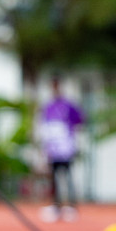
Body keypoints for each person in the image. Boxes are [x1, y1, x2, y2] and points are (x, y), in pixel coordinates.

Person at [38, 77, 84, 222]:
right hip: (53, 148)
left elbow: (80, 120)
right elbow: (44, 127)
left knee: (68, 175)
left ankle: (71, 206)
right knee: (54, 178)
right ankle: (56, 206)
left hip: (66, 147)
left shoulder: (68, 106)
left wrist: (70, 138)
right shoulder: (47, 106)